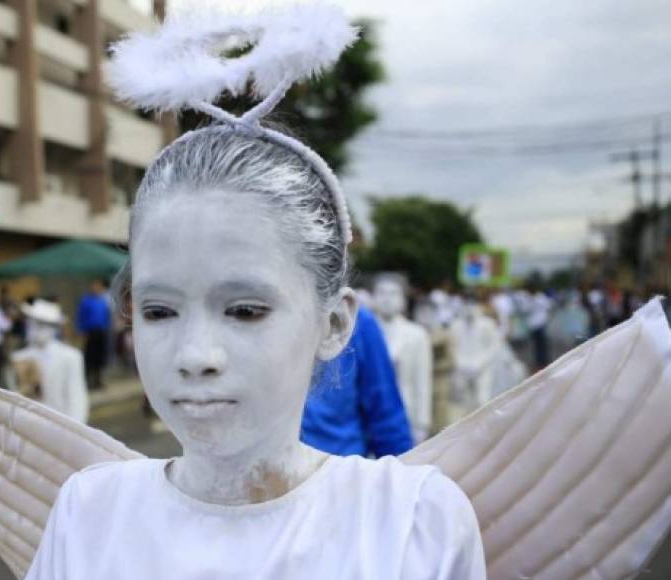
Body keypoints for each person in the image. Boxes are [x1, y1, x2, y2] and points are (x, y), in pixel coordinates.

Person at [26, 9, 485, 577]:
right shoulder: (88, 512)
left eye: (244, 310)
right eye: (159, 310)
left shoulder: (411, 521)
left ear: (335, 324)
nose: (196, 357)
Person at [301, 304, 414, 457]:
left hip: (338, 466)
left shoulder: (358, 323)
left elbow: (385, 412)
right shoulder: (267, 323)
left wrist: (401, 471)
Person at [373, 274, 434, 443]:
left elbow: (422, 381)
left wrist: (422, 423)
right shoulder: (362, 333)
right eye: (382, 293)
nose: (387, 299)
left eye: (393, 294)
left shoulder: (416, 335)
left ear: (403, 300)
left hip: (405, 413)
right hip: (369, 416)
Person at [10, 299, 89, 422]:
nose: (35, 329)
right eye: (33, 323)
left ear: (54, 329)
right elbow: (14, 397)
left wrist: (74, 432)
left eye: (42, 325)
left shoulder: (70, 357)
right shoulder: (19, 357)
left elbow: (76, 397)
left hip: (60, 426)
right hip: (28, 426)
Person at [77, 279, 112, 390]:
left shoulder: (103, 300)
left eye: (99, 286)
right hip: (90, 332)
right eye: (94, 285)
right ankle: (87, 381)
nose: (96, 288)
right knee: (89, 356)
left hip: (102, 331)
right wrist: (81, 330)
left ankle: (98, 380)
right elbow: (81, 316)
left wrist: (108, 327)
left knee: (100, 356)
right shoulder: (86, 300)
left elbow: (107, 316)